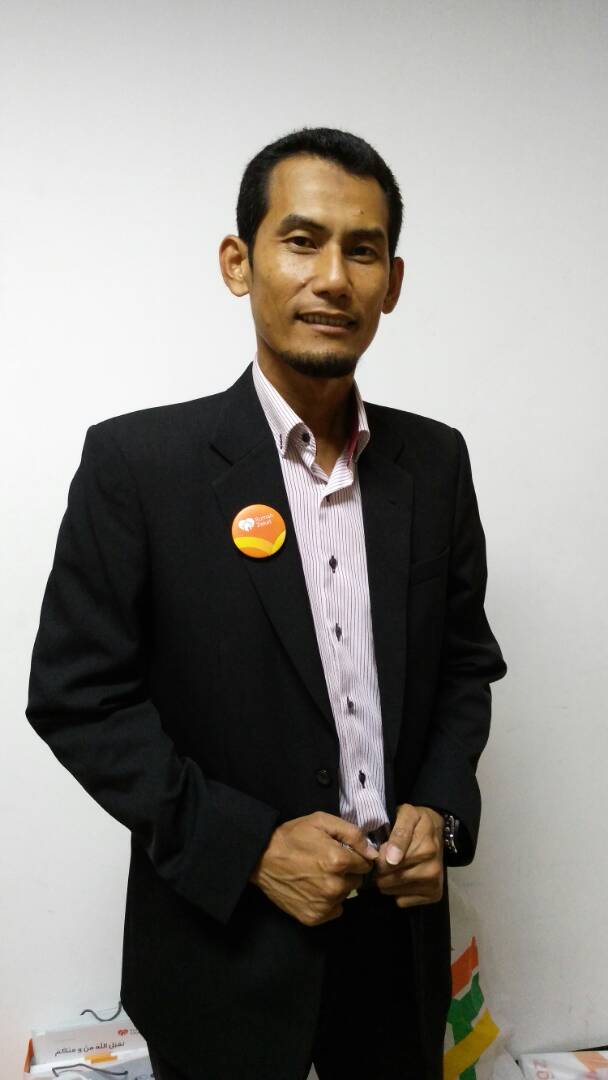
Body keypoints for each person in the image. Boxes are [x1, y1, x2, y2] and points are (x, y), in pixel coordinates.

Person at [26, 126, 507, 1080]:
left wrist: (441, 813)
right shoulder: (137, 466)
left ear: (392, 283)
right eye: (301, 240)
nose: (333, 277)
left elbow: (465, 665)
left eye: (362, 250)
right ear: (238, 263)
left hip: (397, 952)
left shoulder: (435, 462)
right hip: (222, 951)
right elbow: (79, 699)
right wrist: (247, 848)